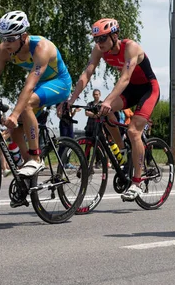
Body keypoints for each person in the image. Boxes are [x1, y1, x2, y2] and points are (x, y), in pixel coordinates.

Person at [0, 10, 72, 189]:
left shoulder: (41, 47)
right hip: (40, 86)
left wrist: (15, 114)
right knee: (16, 131)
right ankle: (28, 172)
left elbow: (29, 85)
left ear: (23, 36)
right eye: (2, 38)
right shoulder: (3, 50)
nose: (5, 43)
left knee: (24, 107)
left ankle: (35, 158)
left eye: (10, 39)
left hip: (59, 83)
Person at [65, 18, 160, 202]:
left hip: (148, 89)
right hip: (131, 90)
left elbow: (124, 78)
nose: (98, 43)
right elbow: (87, 73)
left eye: (102, 39)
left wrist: (107, 100)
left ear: (114, 36)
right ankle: (124, 154)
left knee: (133, 131)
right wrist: (71, 99)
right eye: (96, 39)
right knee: (105, 112)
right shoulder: (99, 50)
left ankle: (137, 183)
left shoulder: (130, 47)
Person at [84, 89, 103, 168]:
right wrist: (94, 115)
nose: (96, 96)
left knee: (98, 145)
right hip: (89, 127)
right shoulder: (90, 104)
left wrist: (94, 114)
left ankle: (98, 162)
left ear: (100, 95)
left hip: (98, 127)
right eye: (95, 94)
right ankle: (86, 161)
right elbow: (86, 112)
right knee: (87, 145)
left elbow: (101, 113)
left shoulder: (102, 104)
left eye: (97, 94)